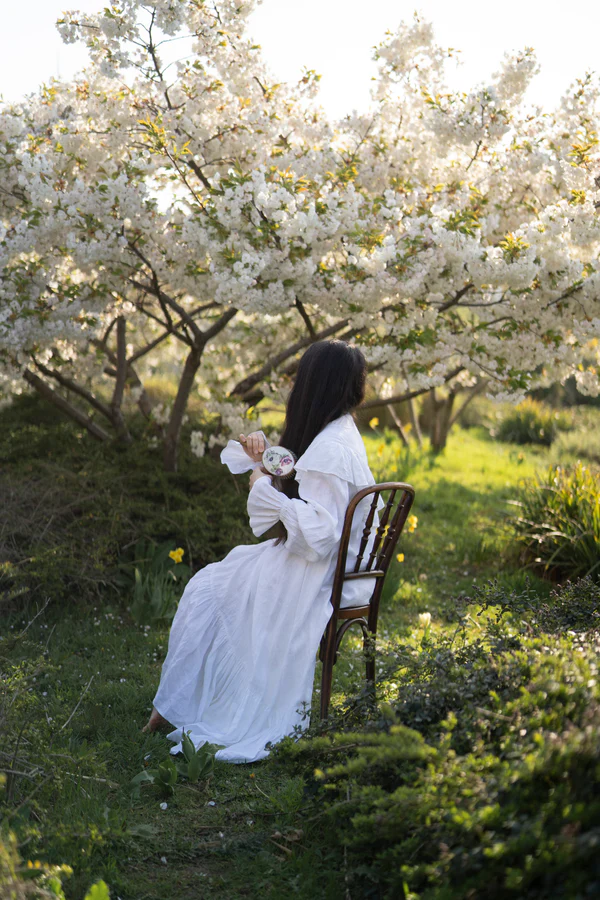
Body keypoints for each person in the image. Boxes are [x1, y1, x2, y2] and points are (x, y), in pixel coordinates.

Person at [142, 340, 379, 763]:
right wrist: (266, 464)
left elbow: (319, 534)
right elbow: (316, 509)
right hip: (334, 570)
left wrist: (262, 483)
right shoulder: (341, 434)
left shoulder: (330, 447)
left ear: (312, 384)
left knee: (206, 588)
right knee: (218, 581)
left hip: (315, 575)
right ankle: (173, 705)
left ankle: (173, 709)